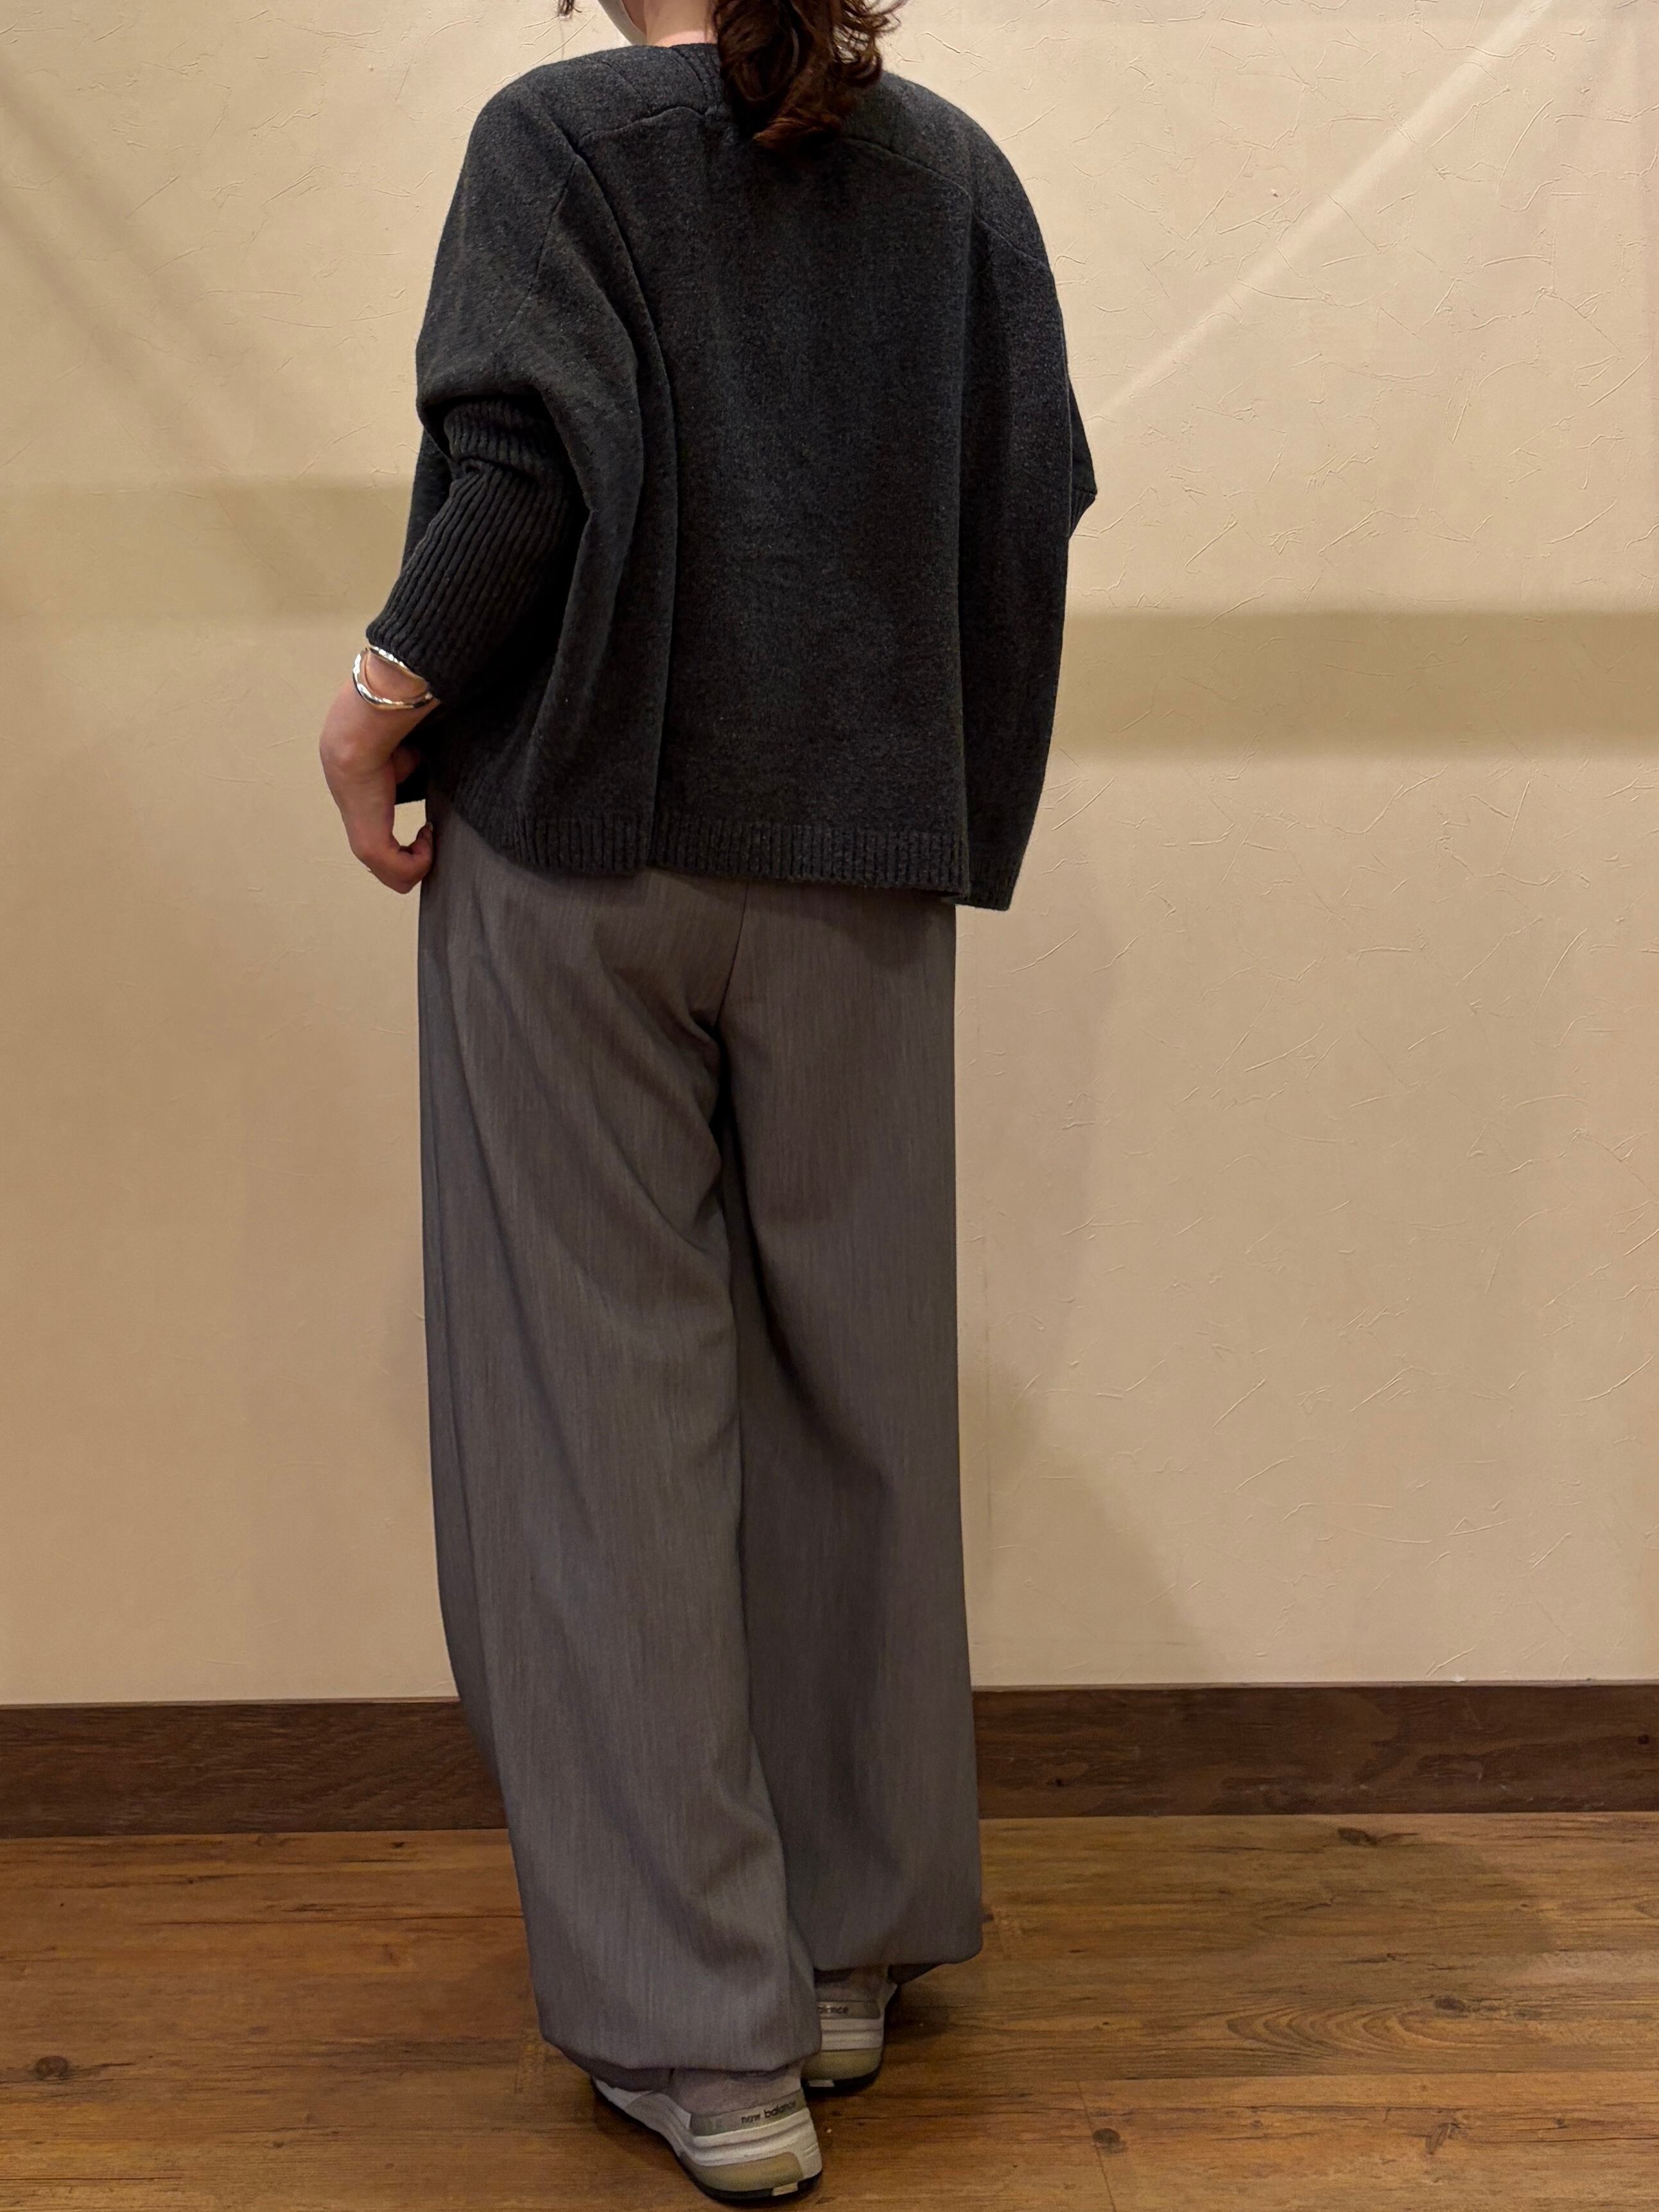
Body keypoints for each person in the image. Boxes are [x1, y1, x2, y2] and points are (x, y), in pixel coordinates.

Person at [317, 0, 1095, 2197]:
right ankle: (844, 1951)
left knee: (602, 1422)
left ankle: (699, 2035)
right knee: (856, 1387)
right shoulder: (957, 182)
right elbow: (1029, 512)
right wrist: (941, 803)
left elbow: (522, 474)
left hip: (583, 853)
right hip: (860, 873)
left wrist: (375, 701)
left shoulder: (558, 137)